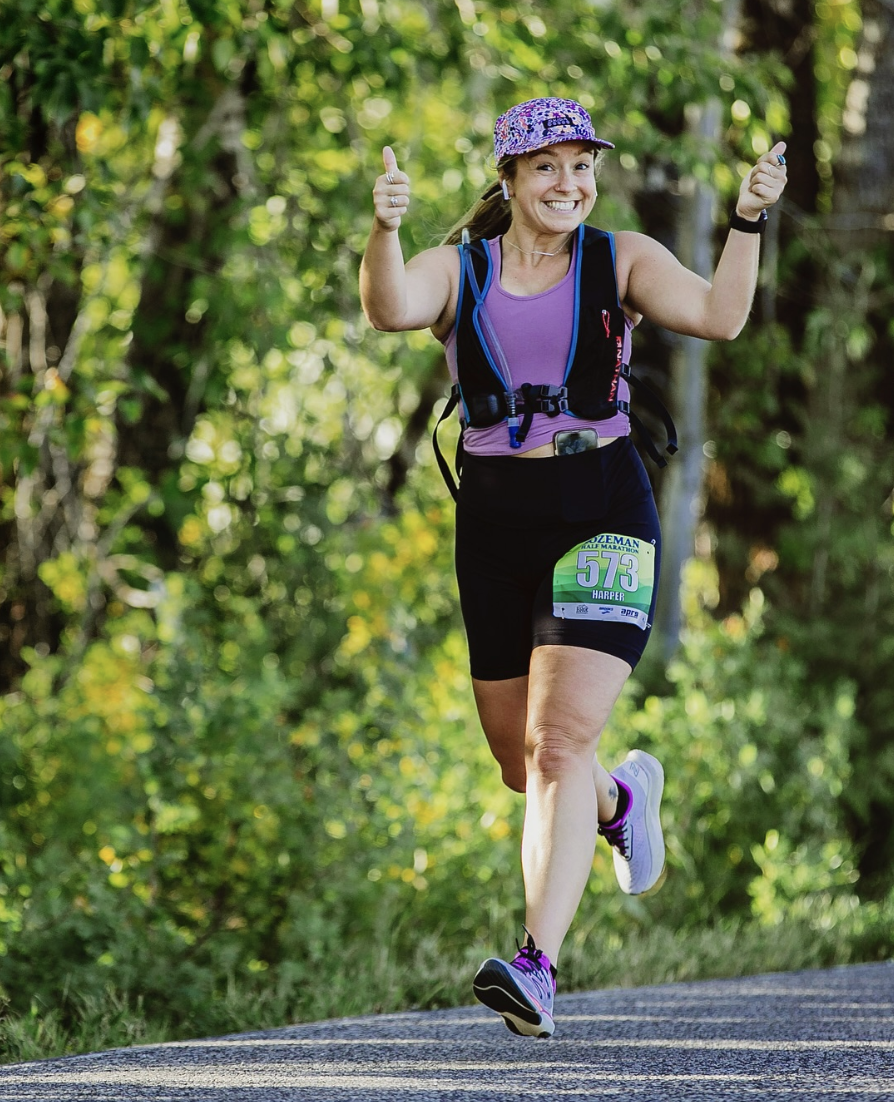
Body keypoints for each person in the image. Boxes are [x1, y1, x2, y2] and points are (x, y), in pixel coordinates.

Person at [359, 96, 787, 1038]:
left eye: (582, 166)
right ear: (508, 179)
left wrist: (749, 218)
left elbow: (720, 316)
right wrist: (385, 229)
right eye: (547, 167)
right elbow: (390, 308)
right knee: (528, 765)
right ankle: (623, 796)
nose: (570, 184)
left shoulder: (620, 257)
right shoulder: (462, 267)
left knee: (556, 745)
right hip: (496, 519)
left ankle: (536, 966)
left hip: (603, 506)